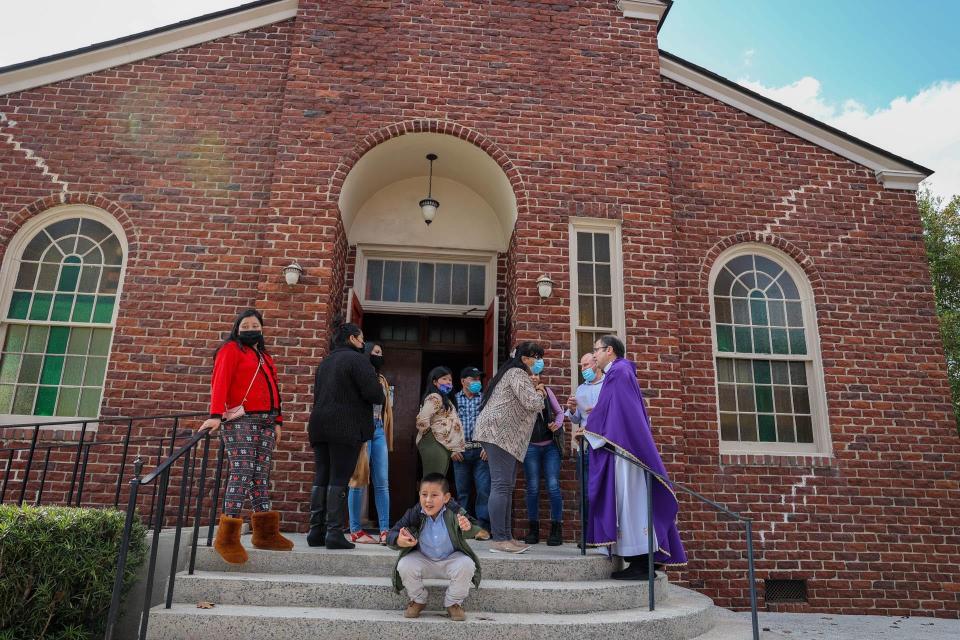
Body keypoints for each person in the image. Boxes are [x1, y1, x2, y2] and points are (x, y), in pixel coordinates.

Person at [584, 335, 687, 579]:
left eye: (596, 350)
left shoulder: (618, 373)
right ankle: (641, 562)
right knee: (632, 503)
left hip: (625, 451)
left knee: (631, 504)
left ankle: (641, 565)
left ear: (609, 350)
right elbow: (615, 410)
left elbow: (616, 414)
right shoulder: (620, 373)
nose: (594, 355)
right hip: (626, 447)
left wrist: (589, 430)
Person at [201, 309, 294, 564]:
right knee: (242, 472)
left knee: (260, 474)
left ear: (261, 329)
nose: (251, 327)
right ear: (237, 328)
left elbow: (274, 389)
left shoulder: (265, 357)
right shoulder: (230, 349)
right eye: (246, 324)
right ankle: (227, 537)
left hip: (266, 421)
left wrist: (278, 420)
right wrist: (215, 415)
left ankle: (265, 534)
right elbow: (220, 381)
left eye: (255, 324)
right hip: (241, 420)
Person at [307, 318, 385, 550]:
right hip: (345, 425)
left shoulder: (326, 362)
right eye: (361, 338)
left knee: (322, 475)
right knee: (340, 478)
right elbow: (375, 395)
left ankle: (315, 530)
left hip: (320, 424)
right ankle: (334, 532)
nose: (363, 342)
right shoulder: (358, 360)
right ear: (352, 339)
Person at [474, 342, 547, 554]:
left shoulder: (511, 372)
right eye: (536, 357)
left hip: (503, 436)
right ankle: (499, 539)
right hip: (500, 434)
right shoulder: (517, 373)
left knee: (506, 485)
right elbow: (532, 402)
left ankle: (506, 536)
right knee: (501, 485)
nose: (539, 362)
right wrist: (540, 391)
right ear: (525, 358)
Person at [388, 472, 482, 622]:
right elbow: (391, 533)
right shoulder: (414, 513)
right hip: (424, 558)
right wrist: (399, 540)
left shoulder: (454, 511)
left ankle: (453, 603)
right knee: (405, 564)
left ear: (446, 497)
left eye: (434, 495)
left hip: (451, 558)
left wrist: (468, 527)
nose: (428, 500)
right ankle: (418, 599)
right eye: (424, 495)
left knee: (467, 564)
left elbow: (478, 528)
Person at [347, 342, 394, 545]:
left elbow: (387, 408)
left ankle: (385, 530)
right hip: (361, 430)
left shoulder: (382, 379)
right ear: (366, 353)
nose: (379, 356)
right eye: (376, 352)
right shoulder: (356, 376)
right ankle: (355, 529)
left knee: (382, 481)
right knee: (357, 480)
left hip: (378, 430)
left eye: (381, 353)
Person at [522, 373, 566, 546]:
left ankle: (556, 529)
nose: (534, 377)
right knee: (532, 488)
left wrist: (558, 423)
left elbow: (560, 413)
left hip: (550, 447)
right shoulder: (522, 394)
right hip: (530, 447)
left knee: (553, 486)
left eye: (537, 374)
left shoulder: (547, 391)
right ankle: (533, 529)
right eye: (530, 374)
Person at [566, 352, 605, 523]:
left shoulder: (607, 386)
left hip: (603, 445)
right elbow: (576, 419)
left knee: (602, 490)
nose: (583, 369)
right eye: (581, 366)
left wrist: (599, 410)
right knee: (585, 491)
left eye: (586, 365)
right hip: (585, 447)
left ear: (596, 364)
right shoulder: (580, 389)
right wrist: (572, 409)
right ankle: (587, 534)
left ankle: (602, 533)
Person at [452, 366, 491, 540]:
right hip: (460, 451)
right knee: (463, 492)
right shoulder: (452, 400)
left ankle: (482, 528)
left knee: (484, 490)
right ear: (462, 381)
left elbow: (491, 423)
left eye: (478, 379)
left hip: (480, 451)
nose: (477, 382)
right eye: (473, 379)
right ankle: (464, 528)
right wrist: (451, 448)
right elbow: (445, 425)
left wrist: (488, 447)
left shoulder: (484, 399)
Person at [416, 367, 466, 478]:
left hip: (441, 445)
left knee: (437, 479)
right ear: (434, 382)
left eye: (450, 380)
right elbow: (422, 420)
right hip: (435, 443)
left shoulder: (445, 400)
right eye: (444, 379)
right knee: (433, 479)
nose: (448, 382)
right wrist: (432, 437)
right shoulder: (435, 397)